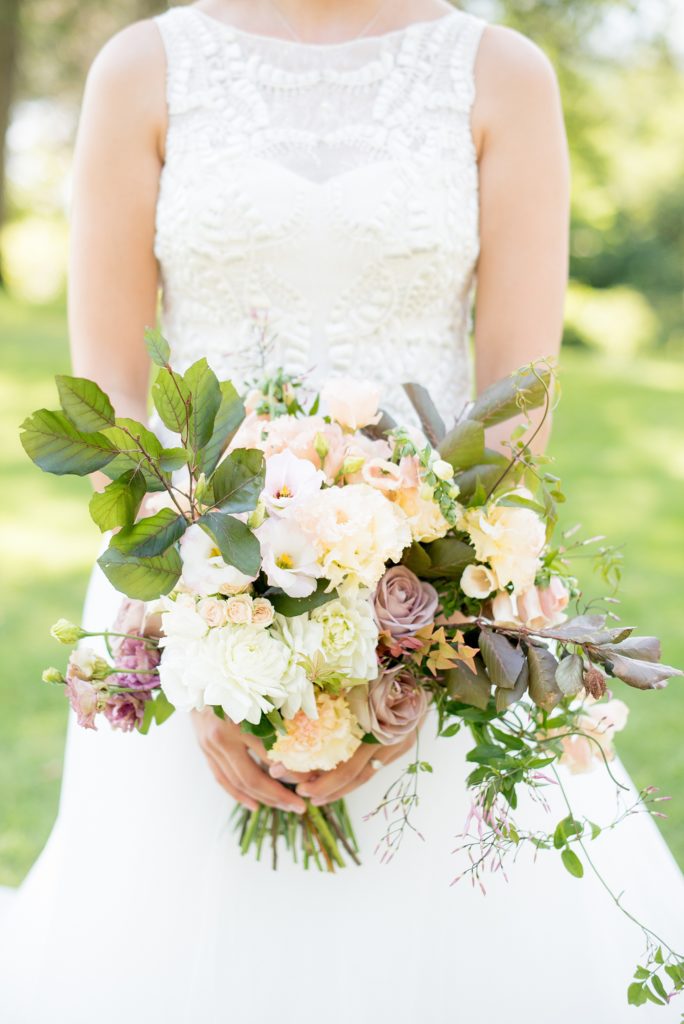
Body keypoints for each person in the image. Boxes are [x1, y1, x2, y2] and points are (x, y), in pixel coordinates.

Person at [1, 1, 683, 1021]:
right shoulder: (142, 69)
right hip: (184, 579)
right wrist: (202, 641)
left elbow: (515, 413)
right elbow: (117, 408)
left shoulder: (502, 76)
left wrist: (415, 648)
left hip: (441, 597)